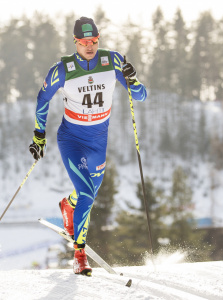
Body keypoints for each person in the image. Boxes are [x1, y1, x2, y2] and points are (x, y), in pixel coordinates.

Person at [29, 16, 147, 276]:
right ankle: (79, 255)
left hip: (98, 143)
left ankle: (67, 206)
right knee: (88, 196)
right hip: (72, 140)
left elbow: (141, 95)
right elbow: (42, 99)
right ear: (75, 42)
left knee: (86, 194)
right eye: (83, 42)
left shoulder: (112, 60)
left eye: (93, 40)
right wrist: (39, 135)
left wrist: (132, 79)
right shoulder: (63, 68)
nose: (89, 46)